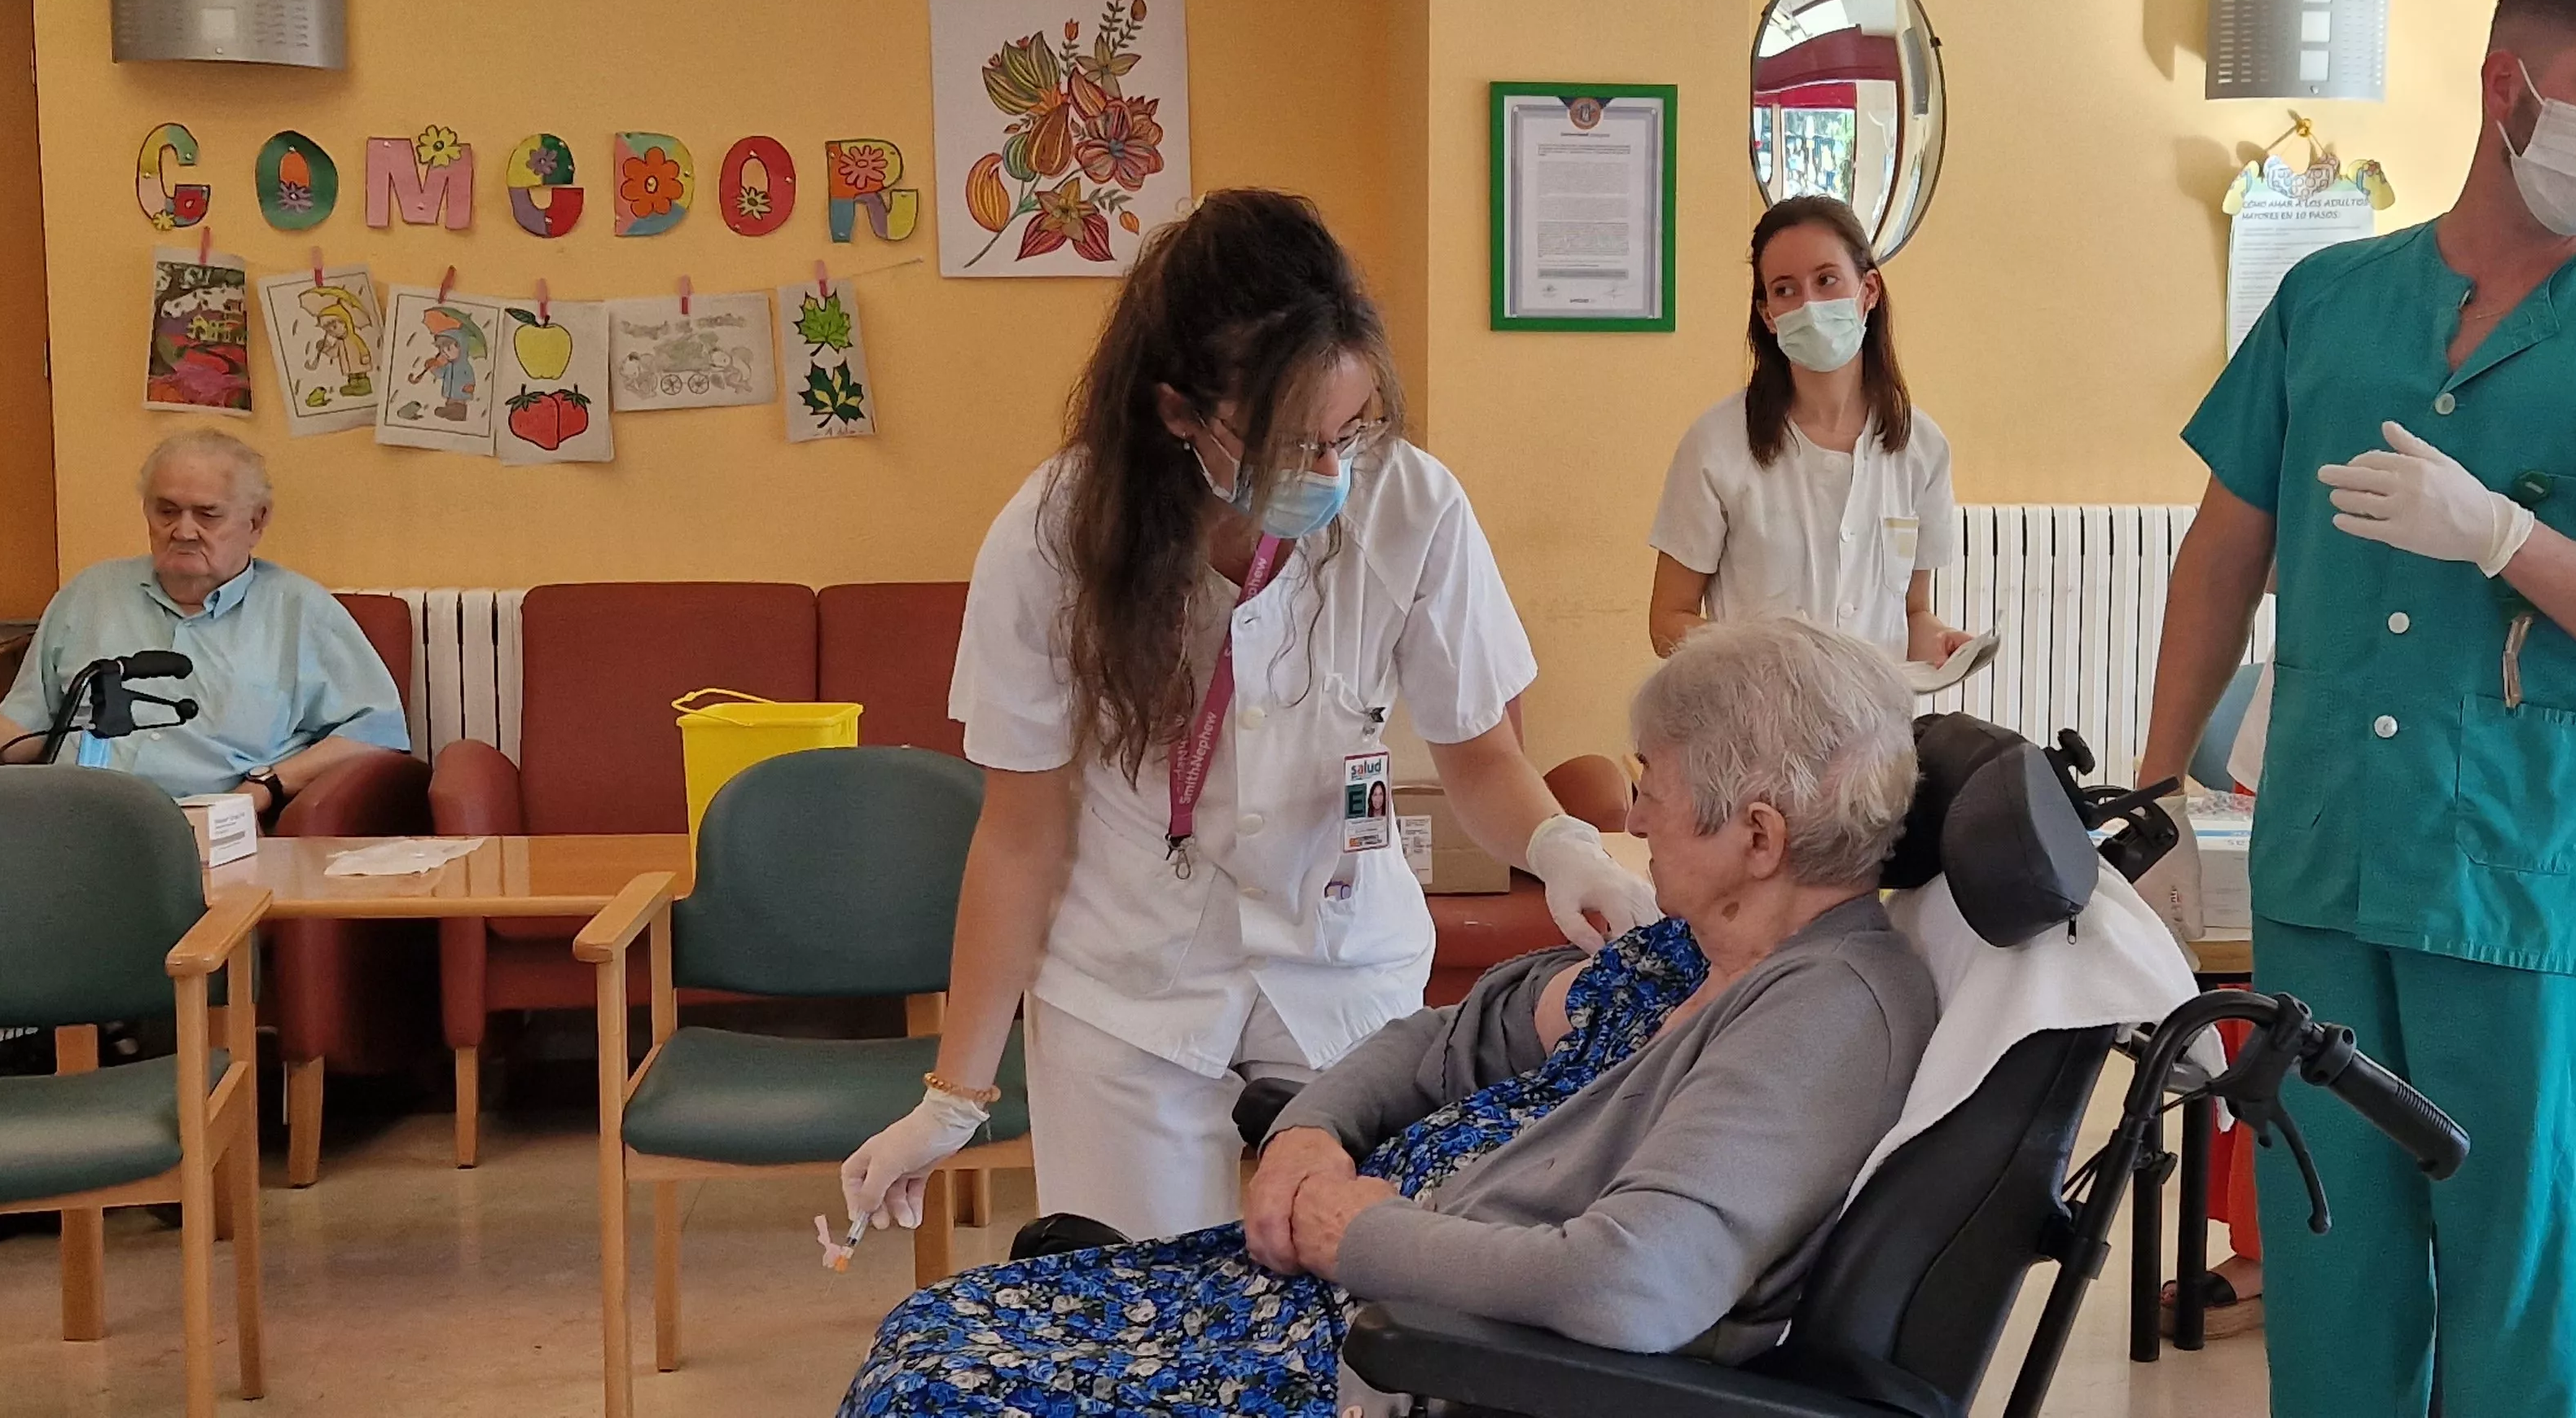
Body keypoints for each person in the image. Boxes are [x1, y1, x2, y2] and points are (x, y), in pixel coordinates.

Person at [2130, 0, 2576, 1416]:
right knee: (2325, 1257)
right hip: (2324, 862)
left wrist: (2504, 536)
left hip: (2511, 882)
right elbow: (2220, 557)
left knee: (2507, 1271)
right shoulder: (2328, 303)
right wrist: (2154, 787)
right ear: (2506, 85)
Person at [840, 616, 1937, 1418]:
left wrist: (1358, 1235)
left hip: (1395, 1358)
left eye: (1653, 785)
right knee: (936, 1332)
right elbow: (1450, 1037)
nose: (1635, 816)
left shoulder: (1820, 1015)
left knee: (938, 1379)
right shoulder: (1685, 948)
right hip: (1324, 1296)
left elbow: (1634, 1283)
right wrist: (1311, 1130)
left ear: (1758, 837)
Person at [840, 189, 1659, 1244]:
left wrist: (1564, 850)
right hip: (1128, 980)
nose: (1328, 474)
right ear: (1178, 411)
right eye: (1287, 443)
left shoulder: (1411, 504)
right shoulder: (1052, 536)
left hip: (1342, 953)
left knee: (1354, 1285)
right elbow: (1019, 835)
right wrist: (953, 1099)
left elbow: (1482, 755)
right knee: (1133, 1300)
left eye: (1349, 433)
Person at [0, 428, 408, 818]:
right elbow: (24, 726)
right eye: (166, 511)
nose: (183, 532)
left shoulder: (300, 611)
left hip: (205, 824)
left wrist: (265, 786)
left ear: (257, 521)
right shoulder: (90, 593)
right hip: (71, 818)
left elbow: (376, 732)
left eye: (208, 515)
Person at [1648, 196, 1968, 668]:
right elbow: (1667, 622)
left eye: (1826, 280)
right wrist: (1764, 659)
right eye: (1785, 290)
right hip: (1755, 709)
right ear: (1768, 315)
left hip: (1876, 711)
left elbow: (1912, 613)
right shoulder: (1716, 445)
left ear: (1869, 290)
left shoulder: (1921, 447)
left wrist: (1941, 643)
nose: (1810, 305)